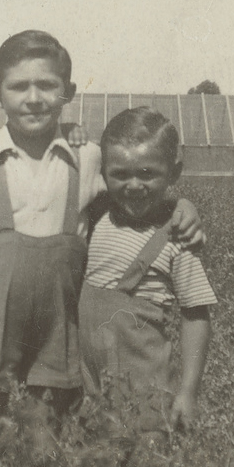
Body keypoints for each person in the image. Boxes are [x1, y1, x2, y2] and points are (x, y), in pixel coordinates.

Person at [0, 31, 203, 456]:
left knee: (45, 435)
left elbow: (138, 185)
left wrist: (183, 205)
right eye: (18, 86)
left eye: (47, 85)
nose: (33, 98)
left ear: (68, 92)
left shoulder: (87, 158)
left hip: (56, 324)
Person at [79, 106, 216, 446]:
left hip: (146, 391)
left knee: (147, 465)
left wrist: (188, 391)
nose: (134, 185)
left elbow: (196, 314)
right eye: (120, 174)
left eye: (147, 173)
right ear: (103, 175)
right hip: (87, 385)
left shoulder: (178, 236)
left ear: (174, 173)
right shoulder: (93, 218)